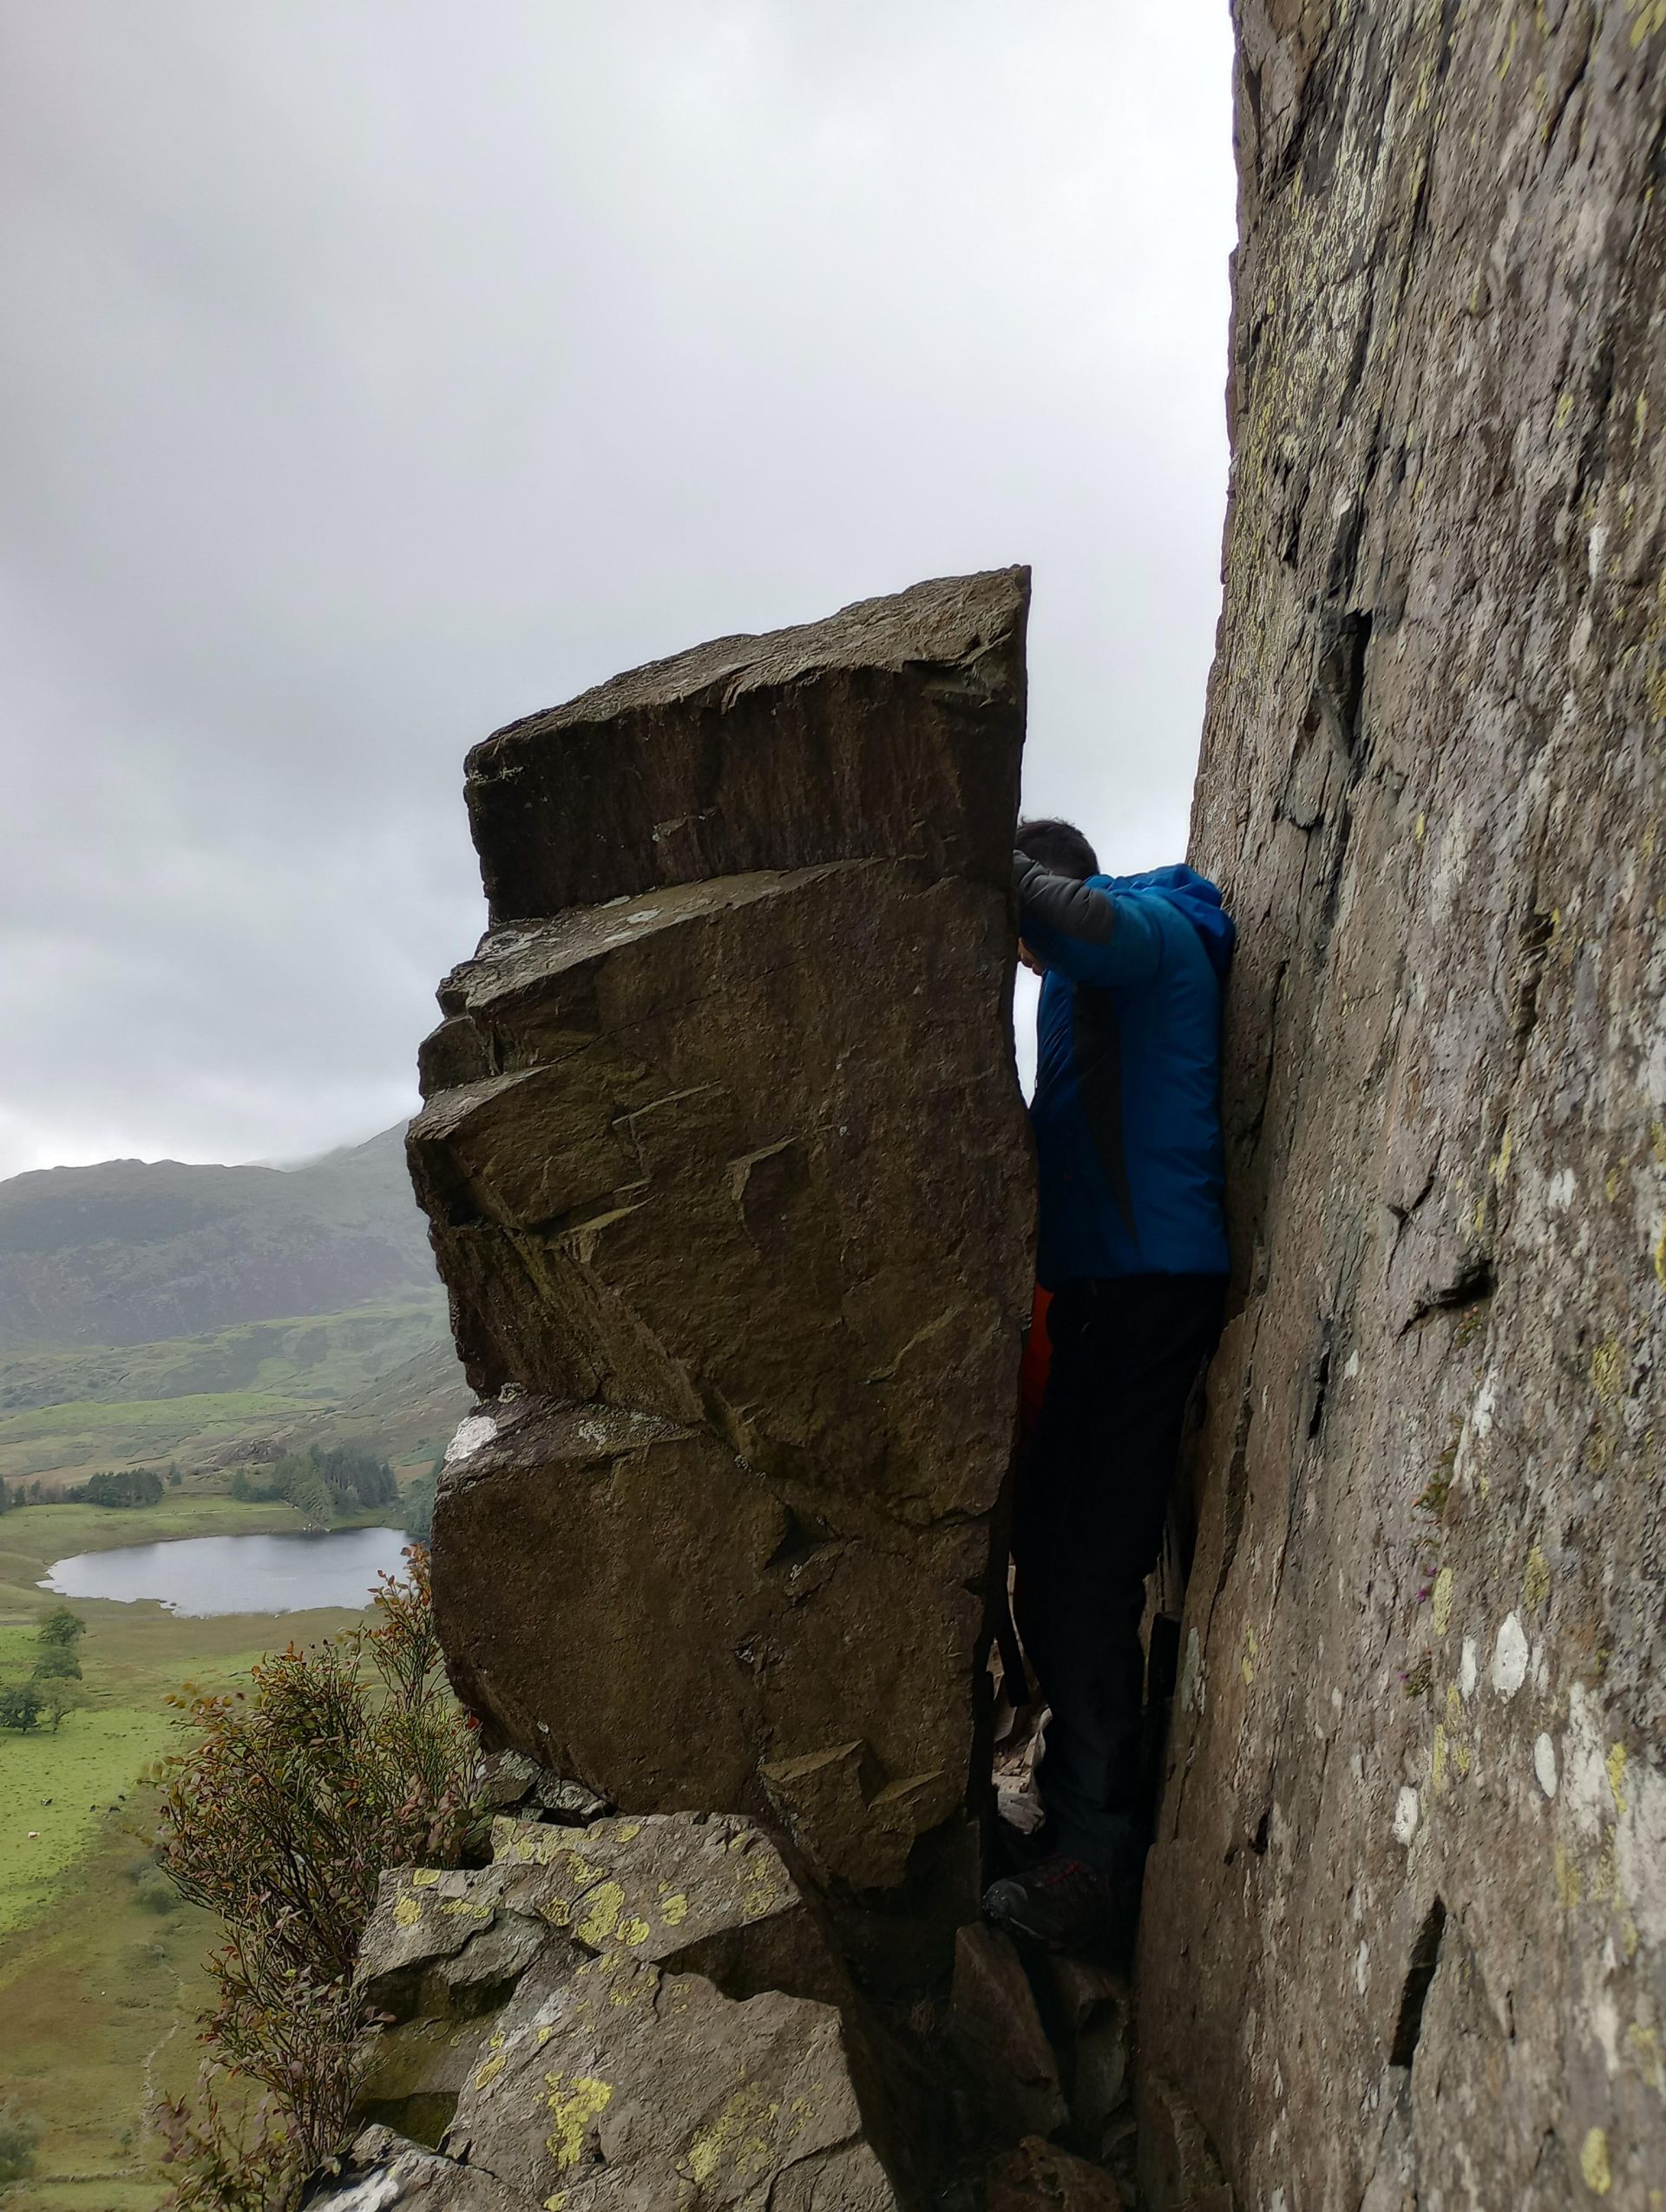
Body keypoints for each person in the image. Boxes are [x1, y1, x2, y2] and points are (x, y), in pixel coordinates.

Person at [982, 817, 1234, 1953]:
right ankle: (1080, 1821)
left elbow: (1084, 925)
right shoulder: (1067, 991)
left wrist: (966, 841)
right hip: (1094, 1308)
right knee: (1051, 1571)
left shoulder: (1157, 927)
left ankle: (1098, 1855)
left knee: (1084, 1578)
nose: (1031, 963)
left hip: (1148, 1296)